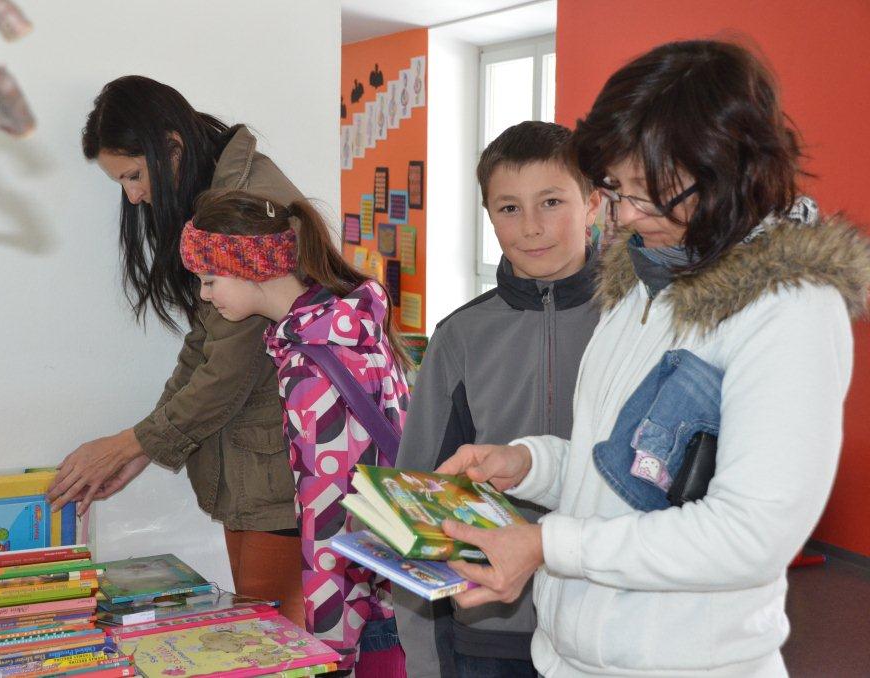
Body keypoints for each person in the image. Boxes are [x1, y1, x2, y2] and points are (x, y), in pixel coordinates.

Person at [437, 40, 870, 677]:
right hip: (570, 660)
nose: (630, 217)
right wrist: (529, 463)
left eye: (651, 195)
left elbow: (748, 535)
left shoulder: (788, 309)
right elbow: (621, 473)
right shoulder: (643, 285)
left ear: (728, 171)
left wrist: (547, 543)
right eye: (619, 190)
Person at [45, 75, 306, 624]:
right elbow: (202, 342)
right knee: (265, 627)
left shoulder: (246, 203)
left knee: (277, 637)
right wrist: (140, 445)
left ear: (172, 149)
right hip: (256, 457)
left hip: (279, 462)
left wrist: (130, 445)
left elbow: (229, 367)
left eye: (134, 176)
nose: (132, 196)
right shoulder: (216, 199)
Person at [392, 122, 600, 678]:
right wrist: (426, 661)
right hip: (489, 629)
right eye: (509, 208)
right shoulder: (460, 337)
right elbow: (419, 501)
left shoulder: (637, 322)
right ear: (489, 216)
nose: (531, 227)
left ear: (593, 204)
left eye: (551, 202)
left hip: (606, 629)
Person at [180, 188, 411, 675]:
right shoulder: (347, 323)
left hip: (358, 598)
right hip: (387, 584)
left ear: (251, 267)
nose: (205, 295)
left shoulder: (310, 365)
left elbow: (329, 506)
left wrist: (330, 642)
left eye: (210, 279)